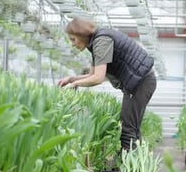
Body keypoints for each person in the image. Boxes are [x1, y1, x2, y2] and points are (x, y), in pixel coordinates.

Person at [57, 17, 157, 152]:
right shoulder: (96, 42)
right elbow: (92, 75)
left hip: (140, 83)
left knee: (127, 130)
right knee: (132, 128)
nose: (72, 44)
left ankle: (130, 170)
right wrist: (71, 79)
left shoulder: (101, 42)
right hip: (140, 82)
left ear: (81, 35)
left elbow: (97, 78)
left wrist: (75, 84)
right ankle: (137, 168)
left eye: (73, 39)